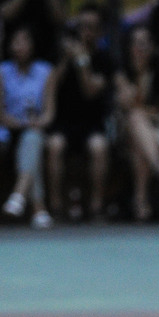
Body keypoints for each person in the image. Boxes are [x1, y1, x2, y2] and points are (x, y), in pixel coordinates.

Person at [45, 3, 113, 221]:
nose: (86, 32)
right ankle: (56, 207)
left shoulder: (104, 59)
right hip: (63, 123)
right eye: (82, 27)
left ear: (100, 32)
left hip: (92, 123)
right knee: (54, 145)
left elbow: (90, 91)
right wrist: (68, 59)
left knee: (99, 147)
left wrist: (82, 60)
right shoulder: (61, 55)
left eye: (91, 27)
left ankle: (96, 207)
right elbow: (51, 86)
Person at [114, 24, 159, 221]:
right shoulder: (122, 73)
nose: (140, 48)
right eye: (136, 43)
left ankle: (141, 202)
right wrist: (139, 72)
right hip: (126, 128)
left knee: (139, 147)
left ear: (152, 46)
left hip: (157, 126)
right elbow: (128, 104)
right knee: (135, 118)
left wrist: (143, 110)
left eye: (144, 43)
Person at [0, 24, 56, 227]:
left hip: (35, 129)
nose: (19, 46)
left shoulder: (46, 71)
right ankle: (37, 208)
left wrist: (36, 122)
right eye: (15, 42)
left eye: (24, 41)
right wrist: (20, 123)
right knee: (31, 143)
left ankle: (19, 195)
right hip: (7, 129)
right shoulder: (2, 71)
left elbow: (49, 113)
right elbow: (1, 113)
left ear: (33, 45)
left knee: (32, 140)